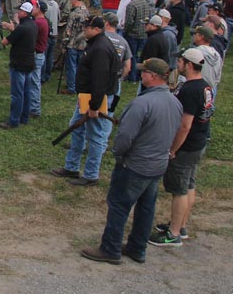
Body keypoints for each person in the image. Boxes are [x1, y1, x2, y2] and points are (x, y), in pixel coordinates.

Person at [80, 58, 182, 264]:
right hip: (157, 164)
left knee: (119, 205)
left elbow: (125, 137)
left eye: (144, 72)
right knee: (146, 207)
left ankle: (110, 249)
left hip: (136, 165)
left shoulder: (142, 103)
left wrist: (118, 153)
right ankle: (137, 248)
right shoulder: (175, 102)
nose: (141, 74)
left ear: (153, 76)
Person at [149, 48, 215, 247]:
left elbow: (185, 125)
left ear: (189, 65)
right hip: (198, 142)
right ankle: (181, 225)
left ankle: (173, 233)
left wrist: (173, 149)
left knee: (179, 190)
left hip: (186, 146)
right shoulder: (205, 86)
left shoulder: (190, 90)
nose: (177, 63)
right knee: (188, 185)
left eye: (181, 61)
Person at [51, 15, 119, 185]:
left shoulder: (100, 49)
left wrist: (94, 106)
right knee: (76, 128)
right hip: (86, 97)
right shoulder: (95, 44)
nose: (84, 30)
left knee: (94, 136)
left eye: (87, 27)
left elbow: (100, 80)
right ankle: (72, 167)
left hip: (95, 98)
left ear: (97, 29)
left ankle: (90, 175)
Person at [0, 2, 38, 129]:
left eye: (19, 11)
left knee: (17, 94)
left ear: (24, 13)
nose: (17, 13)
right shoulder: (33, 25)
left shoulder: (22, 28)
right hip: (29, 62)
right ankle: (24, 118)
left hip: (18, 63)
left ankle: (14, 120)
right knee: (26, 92)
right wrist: (14, 27)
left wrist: (10, 30)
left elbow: (5, 42)